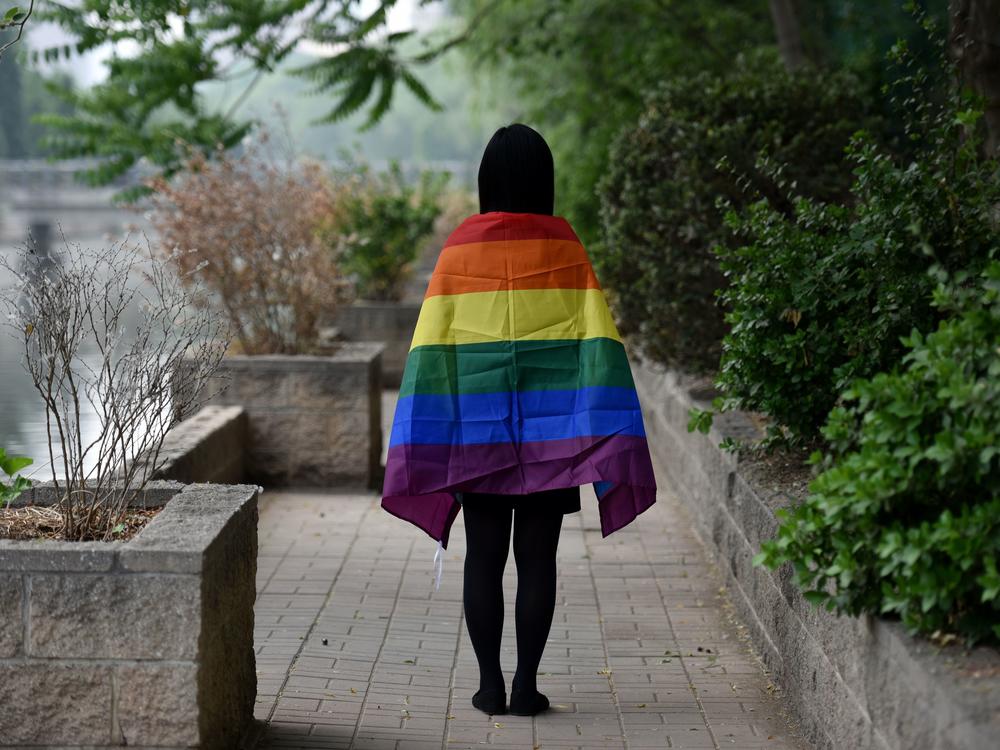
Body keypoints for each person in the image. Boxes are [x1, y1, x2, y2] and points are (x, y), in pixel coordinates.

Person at [381, 123, 657, 718]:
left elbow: (433, 347)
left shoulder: (460, 247)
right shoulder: (565, 245)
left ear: (486, 181)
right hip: (553, 435)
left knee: (483, 555)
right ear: (544, 180)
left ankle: (489, 687)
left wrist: (429, 430)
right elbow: (594, 341)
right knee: (538, 558)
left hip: (477, 435)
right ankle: (527, 685)